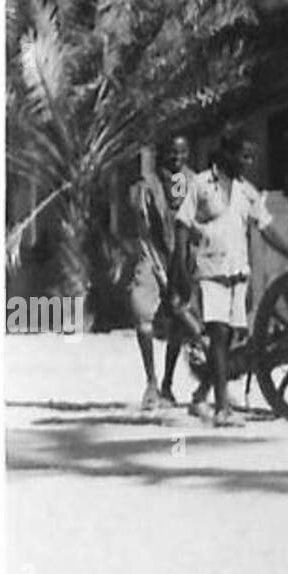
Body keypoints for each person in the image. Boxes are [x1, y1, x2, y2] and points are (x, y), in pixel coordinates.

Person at [172, 128, 288, 427]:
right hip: (210, 272)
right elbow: (182, 226)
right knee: (218, 335)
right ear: (228, 154)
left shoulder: (247, 192)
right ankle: (222, 408)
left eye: (251, 157)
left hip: (238, 274)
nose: (248, 162)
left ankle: (202, 393)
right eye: (243, 156)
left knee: (230, 338)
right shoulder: (200, 184)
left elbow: (267, 228)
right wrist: (181, 269)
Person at [127, 133, 196, 409]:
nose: (176, 158)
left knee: (181, 319)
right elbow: (144, 231)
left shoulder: (191, 183)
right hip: (153, 256)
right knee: (141, 313)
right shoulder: (147, 187)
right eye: (171, 153)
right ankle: (151, 381)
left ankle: (168, 383)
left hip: (184, 257)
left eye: (182, 153)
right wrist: (158, 268)